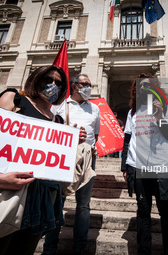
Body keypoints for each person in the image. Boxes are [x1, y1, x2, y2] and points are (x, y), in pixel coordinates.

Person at [0, 65, 86, 255]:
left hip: (40, 197)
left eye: (59, 83)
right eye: (47, 79)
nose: (53, 85)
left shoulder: (58, 121)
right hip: (4, 191)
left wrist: (71, 141)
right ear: (36, 79)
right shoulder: (13, 99)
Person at [121, 73, 168, 255]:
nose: (143, 88)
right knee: (143, 211)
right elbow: (127, 140)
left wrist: (160, 116)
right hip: (139, 167)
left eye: (148, 85)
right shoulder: (133, 112)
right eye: (140, 85)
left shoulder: (166, 109)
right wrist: (125, 166)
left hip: (162, 166)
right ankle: (144, 250)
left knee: (166, 211)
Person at [44, 73, 100, 255]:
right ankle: (50, 246)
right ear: (75, 85)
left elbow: (96, 134)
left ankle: (80, 245)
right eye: (86, 84)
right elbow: (50, 131)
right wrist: (70, 135)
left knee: (83, 204)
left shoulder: (95, 108)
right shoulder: (60, 105)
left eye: (89, 85)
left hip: (88, 159)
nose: (89, 88)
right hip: (63, 158)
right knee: (57, 202)